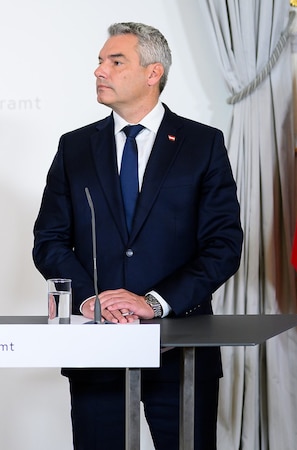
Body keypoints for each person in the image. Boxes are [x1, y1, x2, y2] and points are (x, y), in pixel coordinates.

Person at [32, 22, 242, 450]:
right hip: (97, 354)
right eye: (99, 61)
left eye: (115, 61)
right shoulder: (74, 148)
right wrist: (94, 299)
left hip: (182, 351)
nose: (99, 71)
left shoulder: (203, 144)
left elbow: (223, 246)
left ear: (153, 73)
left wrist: (152, 302)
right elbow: (49, 240)